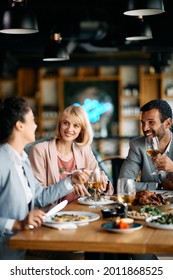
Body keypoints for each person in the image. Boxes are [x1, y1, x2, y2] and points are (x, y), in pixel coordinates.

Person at [0, 97, 91, 260]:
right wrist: (16, 224)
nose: (36, 125)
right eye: (32, 120)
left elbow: (39, 197)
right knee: (75, 258)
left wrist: (71, 181)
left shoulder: (23, 159)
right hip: (8, 250)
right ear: (19, 125)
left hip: (27, 241)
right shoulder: (2, 160)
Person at [28, 104, 114, 207]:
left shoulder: (84, 150)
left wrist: (104, 184)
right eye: (66, 123)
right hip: (51, 215)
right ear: (60, 124)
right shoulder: (40, 151)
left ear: (81, 130)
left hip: (81, 213)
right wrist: (70, 183)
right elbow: (38, 198)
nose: (69, 129)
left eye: (76, 126)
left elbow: (103, 182)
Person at [119, 99, 173, 191]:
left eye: (151, 122)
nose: (145, 128)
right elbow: (124, 185)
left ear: (167, 123)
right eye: (143, 123)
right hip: (150, 203)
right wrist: (160, 186)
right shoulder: (137, 146)